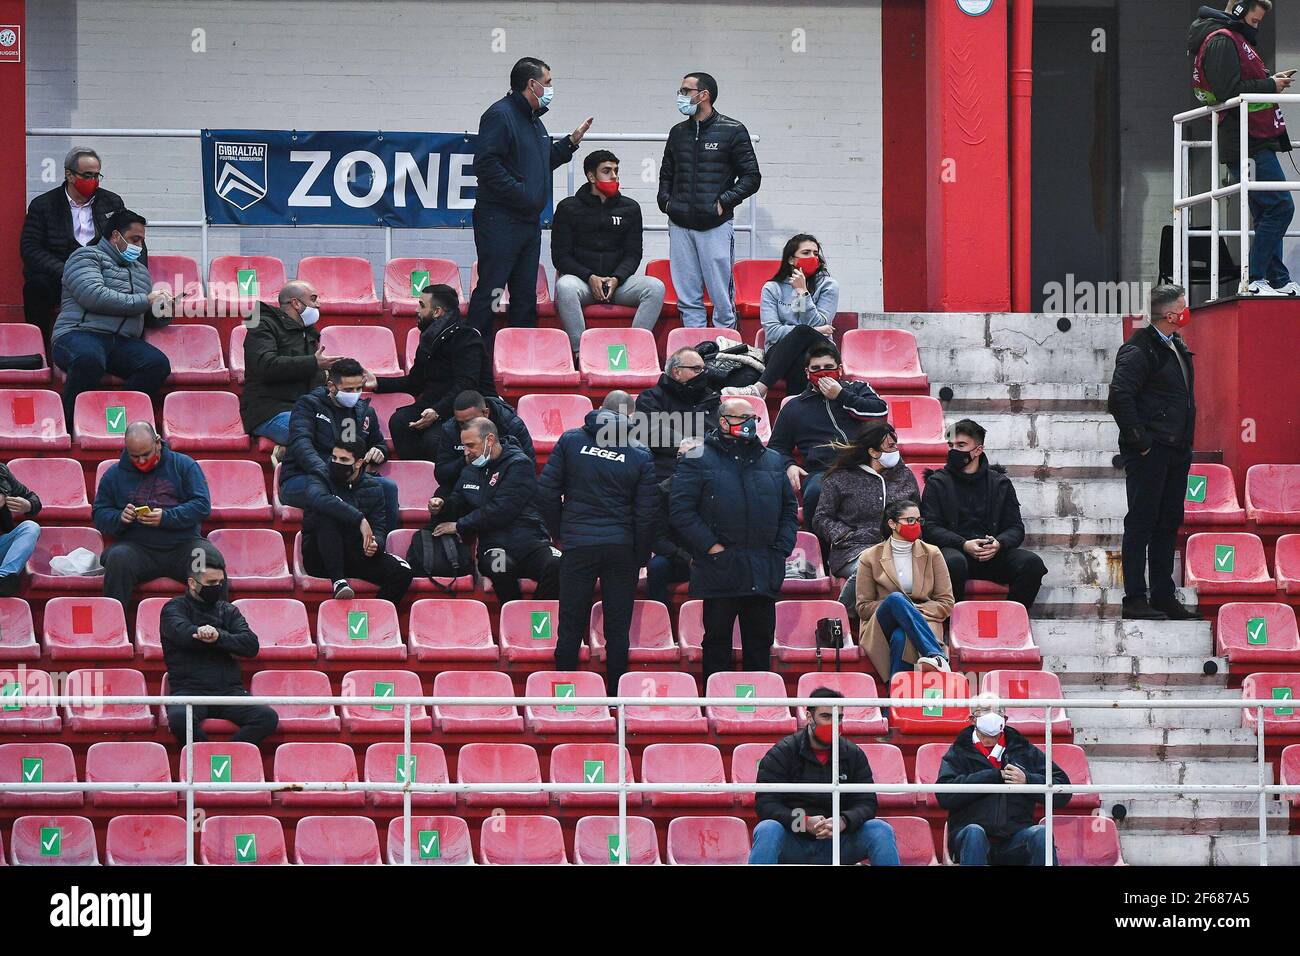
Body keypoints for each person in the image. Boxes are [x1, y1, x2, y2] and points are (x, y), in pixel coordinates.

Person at [670, 398, 798, 681]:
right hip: (719, 569)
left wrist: (781, 549)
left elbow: (789, 510)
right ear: (724, 421)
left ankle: (759, 717)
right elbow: (681, 511)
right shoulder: (698, 458)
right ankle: (719, 707)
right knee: (717, 644)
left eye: (754, 417)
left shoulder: (773, 461)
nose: (750, 423)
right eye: (744, 417)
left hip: (763, 567)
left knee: (760, 644)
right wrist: (711, 547)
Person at [538, 391, 657, 694]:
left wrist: (560, 533)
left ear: (600, 409)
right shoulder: (640, 453)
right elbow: (646, 513)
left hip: (578, 544)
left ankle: (564, 697)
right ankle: (617, 700)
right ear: (631, 417)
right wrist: (640, 556)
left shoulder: (571, 440)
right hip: (622, 548)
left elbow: (547, 492)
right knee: (617, 629)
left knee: (570, 623)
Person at [468, 57, 593, 340]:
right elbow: (486, 165)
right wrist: (522, 194)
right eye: (548, 82)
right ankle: (475, 359)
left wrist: (571, 143)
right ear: (532, 84)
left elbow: (542, 160)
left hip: (527, 223)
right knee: (492, 291)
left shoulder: (535, 123)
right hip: (499, 221)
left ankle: (521, 359)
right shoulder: (500, 115)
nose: (551, 88)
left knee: (525, 296)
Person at [1188, 0, 1297, 296]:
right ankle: (1256, 278)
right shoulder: (1221, 41)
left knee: (1267, 211)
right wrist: (1270, 86)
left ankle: (1276, 279)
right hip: (1246, 141)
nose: (1256, 26)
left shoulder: (1232, 39)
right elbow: (1230, 92)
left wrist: (1270, 82)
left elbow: (1243, 85)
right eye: (1254, 20)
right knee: (1282, 206)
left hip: (1255, 138)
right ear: (1238, 12)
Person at [1108, 284, 1201, 621]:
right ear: (1168, 313)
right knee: (1142, 522)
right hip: (1151, 450)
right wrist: (1142, 442)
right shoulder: (1140, 349)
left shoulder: (1176, 344)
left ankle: (1163, 594)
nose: (1186, 310)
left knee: (1167, 522)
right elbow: (1120, 397)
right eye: (1182, 306)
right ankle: (1135, 597)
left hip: (1176, 449)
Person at [749, 688, 901, 866]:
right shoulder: (783, 752)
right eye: (826, 716)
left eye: (839, 717)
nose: (834, 723)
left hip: (839, 841)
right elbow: (765, 804)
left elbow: (867, 802)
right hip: (794, 842)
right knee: (768, 829)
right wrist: (803, 822)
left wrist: (843, 821)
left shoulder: (853, 754)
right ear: (809, 717)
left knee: (881, 830)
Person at [658, 71, 761, 329]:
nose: (680, 96)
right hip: (680, 224)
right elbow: (666, 173)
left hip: (715, 225)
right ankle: (694, 352)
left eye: (685, 91)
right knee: (688, 297)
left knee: (721, 296)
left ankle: (726, 349)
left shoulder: (733, 130)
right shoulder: (677, 132)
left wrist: (724, 201)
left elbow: (752, 177)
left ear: (703, 95)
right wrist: (666, 202)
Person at [49, 208, 173, 422]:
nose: (139, 246)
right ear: (115, 236)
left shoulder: (141, 271)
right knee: (89, 359)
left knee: (157, 364)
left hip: (121, 341)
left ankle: (119, 419)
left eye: (142, 241)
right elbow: (94, 296)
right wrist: (146, 300)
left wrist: (163, 309)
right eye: (135, 239)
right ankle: (69, 424)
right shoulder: (85, 257)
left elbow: (146, 313)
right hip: (78, 334)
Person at [921, 418, 1048, 610]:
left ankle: (1010, 622)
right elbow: (930, 528)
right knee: (953, 562)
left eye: (961, 445)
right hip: (954, 552)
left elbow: (1015, 527)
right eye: (951, 445)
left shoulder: (999, 483)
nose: (954, 450)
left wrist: (999, 543)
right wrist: (963, 544)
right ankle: (950, 624)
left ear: (978, 450)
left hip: (991, 554)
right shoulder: (937, 482)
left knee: (1032, 564)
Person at [430, 418, 559, 604]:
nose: (466, 452)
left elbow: (502, 510)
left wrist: (460, 525)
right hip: (494, 545)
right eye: (464, 446)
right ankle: (514, 616)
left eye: (470, 445)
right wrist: (441, 506)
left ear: (489, 440)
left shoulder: (519, 464)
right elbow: (458, 501)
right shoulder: (470, 469)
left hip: (530, 541)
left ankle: (534, 616)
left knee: (559, 565)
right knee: (501, 567)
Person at [552, 149, 665, 356]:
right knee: (564, 286)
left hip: (618, 285)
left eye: (615, 170)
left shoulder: (630, 208)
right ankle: (581, 354)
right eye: (607, 171)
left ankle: (634, 350)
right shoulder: (568, 208)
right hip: (583, 284)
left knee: (655, 287)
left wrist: (616, 278)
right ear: (591, 176)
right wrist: (589, 277)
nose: (614, 176)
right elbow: (561, 256)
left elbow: (633, 254)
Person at [160, 551, 278, 746]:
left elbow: (250, 645)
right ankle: (204, 756)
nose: (217, 587)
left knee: (267, 717)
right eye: (211, 583)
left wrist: (217, 636)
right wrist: (205, 634)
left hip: (229, 692)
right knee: (180, 719)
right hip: (189, 691)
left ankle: (227, 754)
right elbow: (183, 634)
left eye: (220, 583)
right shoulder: (174, 608)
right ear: (192, 583)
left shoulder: (228, 610)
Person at [766, 342, 888, 528]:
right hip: (823, 472)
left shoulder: (857, 389)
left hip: (868, 464)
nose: (822, 372)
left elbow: (880, 414)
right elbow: (776, 447)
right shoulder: (794, 407)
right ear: (807, 373)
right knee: (815, 491)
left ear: (839, 369)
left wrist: (841, 396)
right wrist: (789, 465)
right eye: (816, 369)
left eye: (828, 368)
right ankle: (820, 551)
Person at [370, 284, 495, 462]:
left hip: (465, 410)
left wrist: (436, 412)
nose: (416, 310)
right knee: (400, 422)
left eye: (421, 305)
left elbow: (466, 385)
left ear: (437, 311)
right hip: (433, 406)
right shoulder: (429, 339)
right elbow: (415, 383)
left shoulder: (467, 338)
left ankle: (447, 485)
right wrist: (378, 383)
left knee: (434, 439)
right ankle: (419, 479)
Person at [93, 422, 212, 608]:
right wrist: (119, 518)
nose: (141, 461)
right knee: (118, 558)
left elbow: (202, 506)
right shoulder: (113, 475)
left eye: (145, 455)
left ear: (157, 442)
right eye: (135, 456)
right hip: (137, 549)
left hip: (183, 546)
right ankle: (113, 630)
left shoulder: (184, 465)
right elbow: (99, 514)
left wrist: (167, 517)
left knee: (208, 559)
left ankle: (215, 626)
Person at [937, 698, 1069, 866]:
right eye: (985, 710)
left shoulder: (1024, 750)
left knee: (1040, 834)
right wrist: (993, 776)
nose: (992, 715)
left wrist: (1028, 781)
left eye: (998, 711)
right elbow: (944, 795)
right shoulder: (959, 751)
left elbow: (1062, 789)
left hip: (1015, 839)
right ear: (972, 719)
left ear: (1005, 719)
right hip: (970, 838)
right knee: (974, 832)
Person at [279, 359, 400, 532]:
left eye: (359, 388)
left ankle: (380, 549)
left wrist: (378, 450)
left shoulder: (363, 412)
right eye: (349, 390)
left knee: (388, 488)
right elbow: (301, 443)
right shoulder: (308, 405)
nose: (355, 394)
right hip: (304, 476)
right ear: (331, 386)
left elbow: (378, 443)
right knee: (342, 496)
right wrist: (329, 473)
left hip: (349, 478)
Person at [20, 146, 126, 342]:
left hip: (101, 275)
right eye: (87, 175)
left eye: (96, 175)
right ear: (69, 174)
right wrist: (67, 271)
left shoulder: (112, 202)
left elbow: (130, 240)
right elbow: (30, 249)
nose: (93, 181)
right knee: (35, 288)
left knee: (133, 291)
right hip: (60, 276)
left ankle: (123, 350)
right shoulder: (43, 205)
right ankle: (39, 348)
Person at [724, 234, 839, 397]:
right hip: (779, 351)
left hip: (820, 348)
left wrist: (802, 292)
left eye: (815, 253)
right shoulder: (772, 288)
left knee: (803, 333)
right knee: (800, 355)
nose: (812, 257)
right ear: (791, 260)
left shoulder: (828, 285)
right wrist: (816, 330)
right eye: (806, 253)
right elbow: (772, 332)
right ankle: (798, 412)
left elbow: (818, 321)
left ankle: (759, 389)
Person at [300, 441, 413, 602]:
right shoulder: (320, 475)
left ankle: (374, 618)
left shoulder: (374, 487)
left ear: (359, 462)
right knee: (326, 512)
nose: (337, 463)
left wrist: (376, 545)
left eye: (344, 460)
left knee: (403, 572)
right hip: (320, 556)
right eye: (334, 458)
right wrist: (359, 519)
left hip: (354, 552)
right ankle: (338, 581)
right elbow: (317, 498)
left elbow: (379, 528)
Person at [855, 498, 952, 681]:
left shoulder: (933, 553)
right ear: (892, 523)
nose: (916, 525)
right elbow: (863, 607)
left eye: (918, 520)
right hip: (880, 624)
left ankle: (894, 704)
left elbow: (946, 603)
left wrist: (909, 612)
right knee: (896, 599)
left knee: (901, 637)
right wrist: (898, 607)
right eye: (910, 520)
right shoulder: (869, 557)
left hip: (923, 621)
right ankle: (935, 655)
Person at [238, 280, 338, 458]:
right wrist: (312, 363)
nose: (319, 304)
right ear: (296, 303)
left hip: (303, 408)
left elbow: (310, 374)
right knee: (320, 434)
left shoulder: (307, 332)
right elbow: (266, 366)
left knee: (346, 429)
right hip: (270, 411)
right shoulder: (261, 325)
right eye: (314, 299)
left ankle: (287, 454)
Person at [634, 347, 721, 482]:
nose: (703, 374)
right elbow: (649, 431)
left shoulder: (711, 399)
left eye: (704, 369)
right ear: (677, 372)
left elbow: (720, 432)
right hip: (667, 472)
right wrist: (687, 444)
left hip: (710, 470)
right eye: (696, 369)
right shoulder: (651, 398)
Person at [433, 390, 535, 492]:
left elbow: (526, 469)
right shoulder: (450, 429)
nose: (466, 427)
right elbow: (442, 475)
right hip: (464, 486)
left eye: (471, 421)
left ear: (486, 413)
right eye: (460, 423)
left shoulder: (511, 425)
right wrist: (466, 461)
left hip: (502, 486)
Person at [646, 438, 701, 607]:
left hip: (705, 555)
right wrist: (685, 557)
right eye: (679, 455)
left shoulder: (715, 490)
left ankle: (701, 625)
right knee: (657, 566)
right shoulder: (663, 491)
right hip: (675, 556)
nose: (682, 459)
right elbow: (658, 540)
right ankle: (659, 622)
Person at [0, 460, 42, 596]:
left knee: (30, 527)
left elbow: (33, 499)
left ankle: (3, 579)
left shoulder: (2, 472)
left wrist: (28, 505)